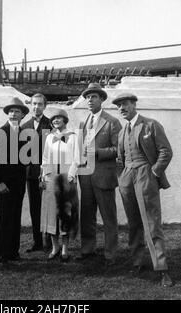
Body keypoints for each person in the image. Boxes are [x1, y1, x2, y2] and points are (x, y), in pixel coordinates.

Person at [113, 92, 174, 287]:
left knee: (151, 223)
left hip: (145, 175)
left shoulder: (151, 125)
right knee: (134, 223)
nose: (122, 109)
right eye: (119, 106)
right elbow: (120, 158)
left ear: (134, 105)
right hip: (127, 178)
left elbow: (166, 151)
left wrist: (154, 172)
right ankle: (138, 262)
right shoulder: (122, 132)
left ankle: (162, 269)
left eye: (125, 105)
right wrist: (122, 176)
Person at [77, 83, 122, 267]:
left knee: (108, 216)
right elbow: (79, 149)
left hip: (104, 175)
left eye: (94, 97)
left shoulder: (112, 122)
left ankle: (111, 253)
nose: (90, 100)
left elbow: (119, 149)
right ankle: (88, 249)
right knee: (87, 215)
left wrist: (98, 152)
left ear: (101, 99)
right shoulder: (83, 122)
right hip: (85, 176)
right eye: (87, 97)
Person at [0, 97, 29, 264]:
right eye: (11, 111)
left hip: (19, 183)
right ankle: (1, 253)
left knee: (15, 216)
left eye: (17, 111)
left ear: (22, 115)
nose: (13, 114)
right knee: (4, 216)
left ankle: (13, 251)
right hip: (3, 183)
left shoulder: (26, 135)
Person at [40, 108, 80, 262]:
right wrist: (44, 176)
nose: (56, 121)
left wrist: (71, 175)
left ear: (65, 120)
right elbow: (45, 158)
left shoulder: (73, 137)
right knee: (51, 213)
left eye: (59, 118)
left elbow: (77, 158)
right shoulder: (49, 137)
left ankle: (65, 248)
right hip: (51, 179)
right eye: (53, 119)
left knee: (65, 213)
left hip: (66, 179)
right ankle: (54, 246)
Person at [21, 93, 52, 253]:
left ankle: (50, 241)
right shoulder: (24, 126)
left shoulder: (51, 124)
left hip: (47, 173)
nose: (36, 107)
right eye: (34, 104)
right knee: (34, 208)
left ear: (44, 106)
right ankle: (37, 241)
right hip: (30, 174)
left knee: (48, 207)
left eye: (40, 104)